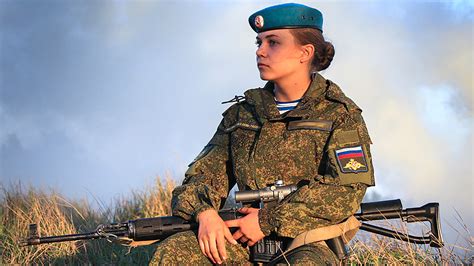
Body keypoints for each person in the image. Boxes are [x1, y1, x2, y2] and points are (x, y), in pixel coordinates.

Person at [151, 3, 375, 265]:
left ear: (305, 52)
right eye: (259, 42)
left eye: (273, 43)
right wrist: (205, 213)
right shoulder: (242, 115)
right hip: (243, 241)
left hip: (306, 243)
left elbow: (345, 190)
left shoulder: (339, 115)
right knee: (176, 251)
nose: (260, 51)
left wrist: (267, 220)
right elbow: (201, 177)